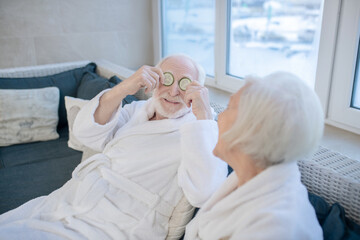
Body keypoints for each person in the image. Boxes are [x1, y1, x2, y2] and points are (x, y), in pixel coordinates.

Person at [0, 54, 228, 239]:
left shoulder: (200, 130)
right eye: (167, 79)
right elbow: (86, 133)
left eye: (184, 83)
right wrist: (124, 87)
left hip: (119, 222)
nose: (174, 90)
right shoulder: (138, 109)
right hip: (74, 198)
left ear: (197, 90)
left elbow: (204, 192)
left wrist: (204, 115)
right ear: (155, 79)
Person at [184, 72, 324, 240]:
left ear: (251, 128)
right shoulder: (248, 176)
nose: (219, 116)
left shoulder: (275, 229)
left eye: (229, 107)